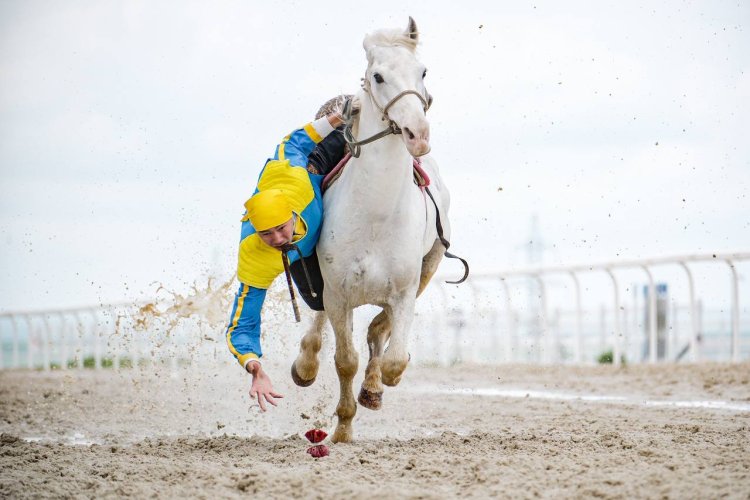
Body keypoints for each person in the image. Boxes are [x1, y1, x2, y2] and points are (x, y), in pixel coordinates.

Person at [225, 97, 353, 411]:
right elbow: (242, 324)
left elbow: (296, 139)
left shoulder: (292, 173)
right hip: (303, 256)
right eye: (267, 234)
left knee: (351, 132)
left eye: (281, 229)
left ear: (292, 213)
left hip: (312, 174)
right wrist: (254, 367)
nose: (277, 239)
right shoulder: (255, 254)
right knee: (318, 302)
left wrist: (335, 119)